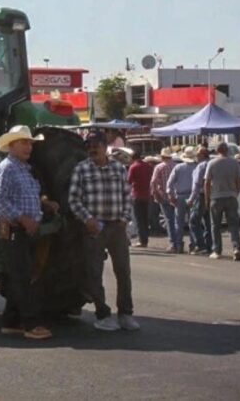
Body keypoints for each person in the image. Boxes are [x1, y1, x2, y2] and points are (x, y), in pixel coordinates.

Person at [0, 125, 58, 340]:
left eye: (30, 143)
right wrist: (22, 218)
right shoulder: (7, 168)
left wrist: (45, 204)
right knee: (22, 276)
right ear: (11, 145)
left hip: (24, 230)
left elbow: (26, 196)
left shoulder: (24, 169)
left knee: (21, 275)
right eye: (24, 142)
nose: (29, 147)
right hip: (14, 230)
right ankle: (31, 324)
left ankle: (11, 322)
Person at [68, 131, 138, 332]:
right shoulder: (81, 169)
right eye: (89, 145)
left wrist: (125, 219)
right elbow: (73, 200)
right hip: (94, 227)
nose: (92, 148)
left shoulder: (118, 168)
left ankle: (125, 313)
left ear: (104, 146)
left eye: (96, 144)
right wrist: (87, 219)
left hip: (117, 226)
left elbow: (127, 196)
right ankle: (103, 313)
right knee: (94, 272)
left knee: (123, 271)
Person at [205, 142, 240, 260]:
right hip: (231, 196)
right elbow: (239, 180)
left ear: (217, 151)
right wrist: (236, 192)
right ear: (227, 150)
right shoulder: (234, 163)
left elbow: (206, 182)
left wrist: (207, 198)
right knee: (233, 225)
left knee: (215, 225)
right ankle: (236, 248)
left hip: (216, 197)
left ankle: (217, 250)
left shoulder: (212, 163)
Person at [167, 146, 197, 254]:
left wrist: (171, 196)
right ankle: (193, 245)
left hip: (180, 196)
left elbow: (169, 184)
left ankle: (179, 245)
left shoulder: (178, 168)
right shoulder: (196, 167)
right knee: (193, 222)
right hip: (193, 196)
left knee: (178, 223)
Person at [150, 147, 177, 253]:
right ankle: (178, 242)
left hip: (163, 196)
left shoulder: (159, 167)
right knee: (177, 220)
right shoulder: (176, 166)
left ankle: (173, 243)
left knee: (169, 220)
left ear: (162, 157)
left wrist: (155, 194)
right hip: (175, 195)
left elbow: (153, 182)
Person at [187, 146, 213, 255]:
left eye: (197, 155)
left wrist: (191, 199)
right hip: (212, 195)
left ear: (202, 155)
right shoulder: (212, 164)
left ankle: (200, 245)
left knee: (194, 221)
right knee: (208, 222)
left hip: (201, 196)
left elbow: (196, 185)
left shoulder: (201, 166)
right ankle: (209, 246)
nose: (196, 157)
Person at [127, 151, 153, 248]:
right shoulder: (149, 166)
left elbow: (129, 181)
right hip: (147, 194)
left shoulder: (133, 167)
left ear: (132, 158)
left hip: (137, 195)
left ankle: (142, 241)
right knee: (145, 218)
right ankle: (145, 239)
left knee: (139, 219)